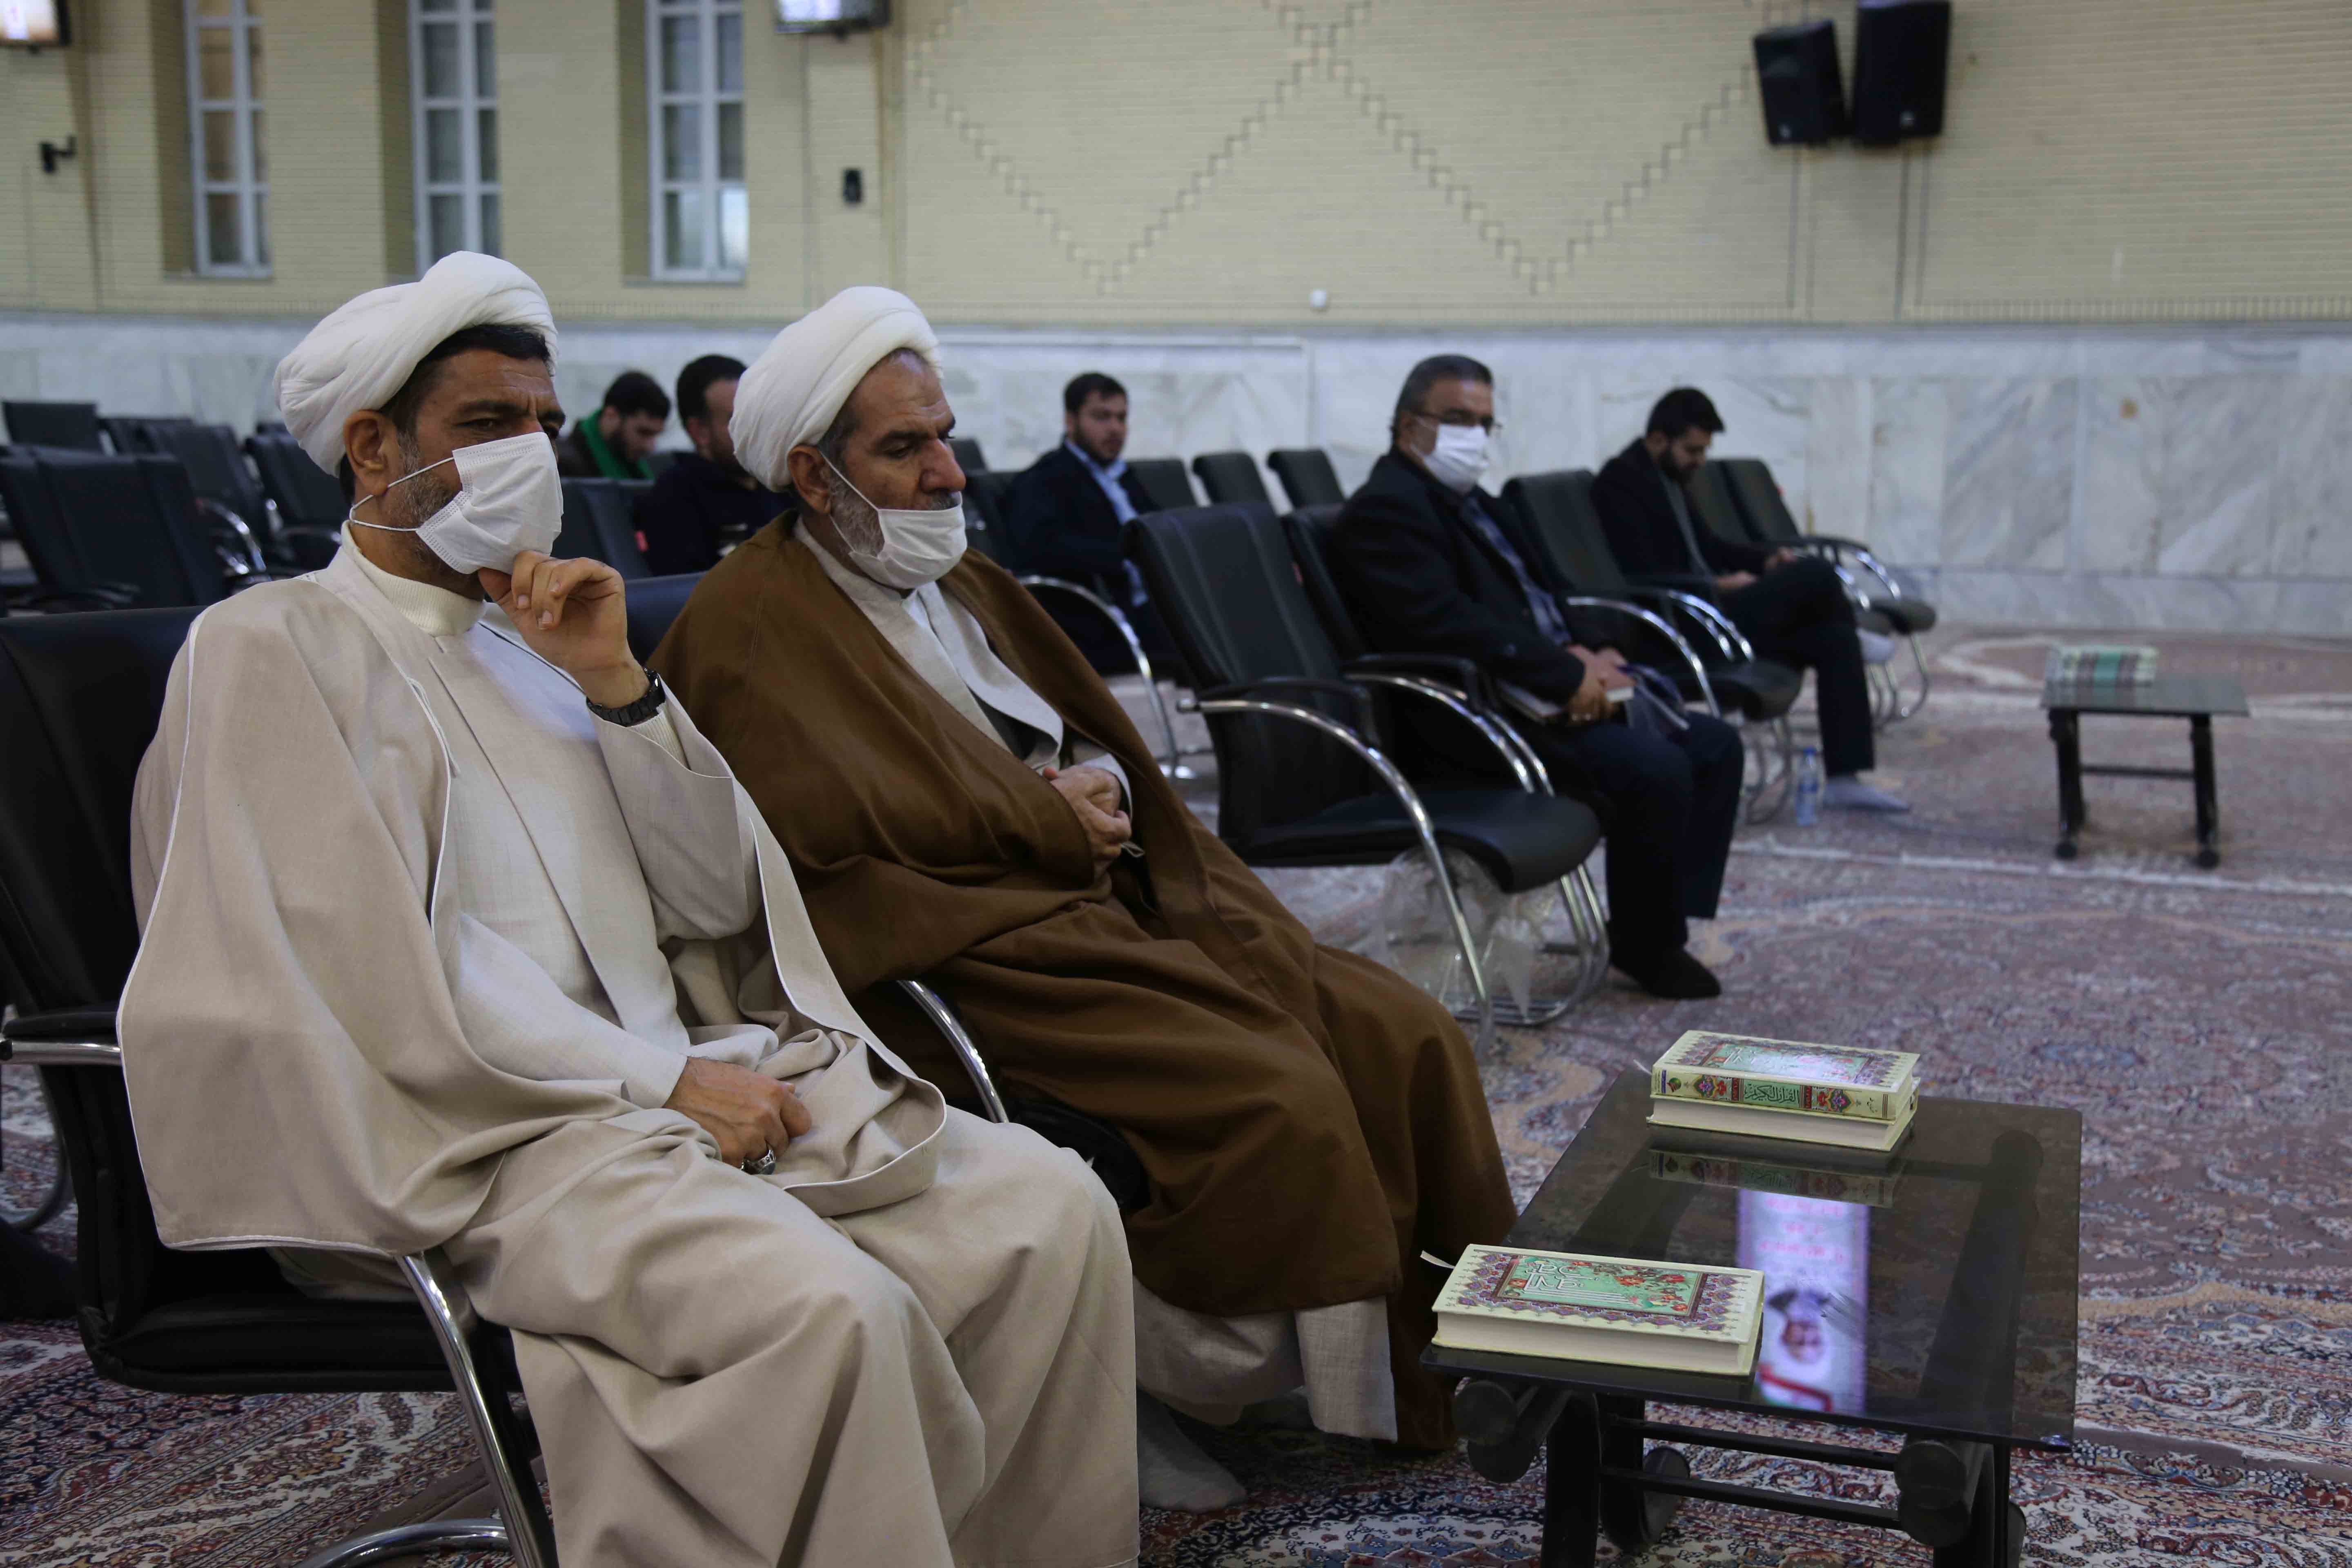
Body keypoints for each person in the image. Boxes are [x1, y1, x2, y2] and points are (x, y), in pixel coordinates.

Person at [118, 254, 1138, 1568]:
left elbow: (712, 902)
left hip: (701, 1080)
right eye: (488, 422)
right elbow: (373, 968)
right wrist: (663, 1083)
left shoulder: (539, 641)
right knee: (829, 1312)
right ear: (373, 447)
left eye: (543, 423)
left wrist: (616, 692)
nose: (530, 453)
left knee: (1052, 1212)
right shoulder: (273, 646)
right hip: (487, 1136)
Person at [651, 289, 1517, 1499]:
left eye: (945, 435)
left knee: (1408, 1031)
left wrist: (1093, 791)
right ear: (811, 471)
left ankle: (1462, 1362)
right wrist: (1037, 815)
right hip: (964, 948)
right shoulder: (747, 626)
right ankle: (1161, 1375)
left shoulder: (954, 574)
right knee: (1279, 1092)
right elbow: (815, 845)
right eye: (904, 448)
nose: (949, 471)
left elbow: (1067, 729)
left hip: (1096, 891)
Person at [1329, 355, 1744, 1001]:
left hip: (1534, 685)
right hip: (1478, 716)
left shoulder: (1475, 502)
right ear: (1410, 426)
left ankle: (1658, 915)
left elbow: (1547, 595)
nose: (1474, 436)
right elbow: (1444, 626)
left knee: (1715, 745)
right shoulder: (1386, 510)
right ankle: (1649, 945)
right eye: (1458, 418)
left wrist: (1595, 650)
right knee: (1655, 768)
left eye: (1484, 423)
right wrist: (1565, 674)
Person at [1591, 388, 1908, 812]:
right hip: (1684, 627)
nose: (1700, 461)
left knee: (1835, 640)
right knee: (1816, 573)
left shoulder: (1670, 478)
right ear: (1658, 439)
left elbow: (1710, 547)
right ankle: (1849, 621)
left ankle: (1844, 779)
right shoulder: (1619, 485)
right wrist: (1720, 587)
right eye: (1693, 450)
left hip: (1712, 613)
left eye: (1704, 451)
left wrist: (1765, 562)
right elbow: (1639, 574)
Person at [1001, 371, 1166, 668]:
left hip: (1156, 605)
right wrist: (1125, 556)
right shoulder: (1043, 480)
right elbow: (1039, 549)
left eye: (1121, 418)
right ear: (1071, 421)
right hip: (1104, 619)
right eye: (1102, 417)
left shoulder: (1124, 477)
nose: (1115, 428)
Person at [631, 353, 782, 574]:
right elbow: (683, 588)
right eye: (738, 420)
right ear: (700, 432)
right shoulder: (675, 499)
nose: (755, 429)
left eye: (757, 416)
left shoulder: (784, 485)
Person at [554, 368, 669, 480]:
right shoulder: (561, 465)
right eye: (643, 433)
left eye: (655, 435)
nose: (649, 446)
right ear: (611, 416)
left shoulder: (640, 466)